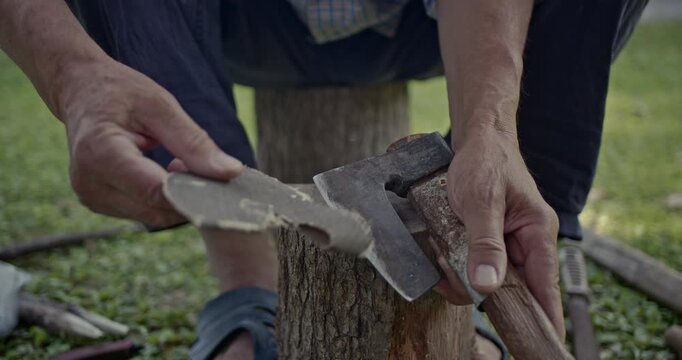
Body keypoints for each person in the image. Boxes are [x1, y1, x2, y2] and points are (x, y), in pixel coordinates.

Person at [0, 0, 647, 359]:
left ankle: (468, 315)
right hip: (237, 21)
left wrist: (492, 126)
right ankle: (250, 302)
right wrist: (73, 75)